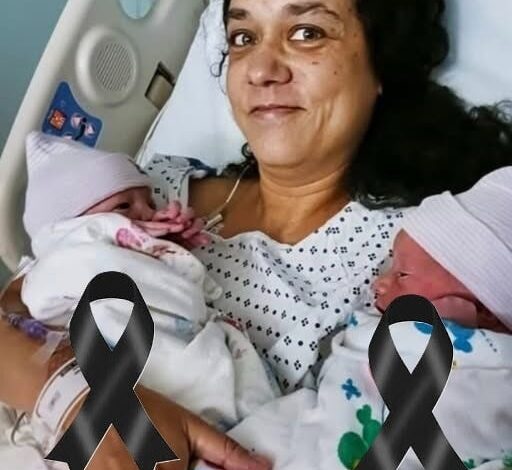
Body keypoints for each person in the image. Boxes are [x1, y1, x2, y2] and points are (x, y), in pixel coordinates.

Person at [1, 0, 512, 468]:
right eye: (243, 38)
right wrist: (77, 399)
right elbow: (14, 309)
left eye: (307, 32)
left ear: (382, 62)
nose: (261, 70)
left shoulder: (411, 259)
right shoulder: (141, 190)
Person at [209, 167, 512, 470]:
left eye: (403, 274)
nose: (378, 283)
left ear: (485, 309)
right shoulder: (369, 329)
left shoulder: (496, 376)